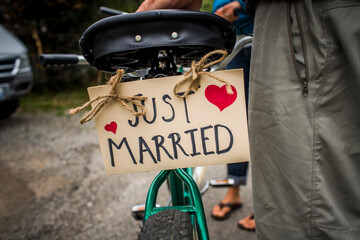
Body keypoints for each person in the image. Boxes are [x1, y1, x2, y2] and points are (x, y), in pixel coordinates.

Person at [137, 1, 360, 239]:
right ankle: (237, 189)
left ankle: (253, 200)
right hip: (251, 31)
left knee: (287, 147)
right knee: (246, 122)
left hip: (291, 22)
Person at [210, 0, 255, 232]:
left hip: (265, 30)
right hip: (231, 35)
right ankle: (234, 190)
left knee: (267, 118)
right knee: (234, 117)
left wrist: (240, 4)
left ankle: (269, 202)